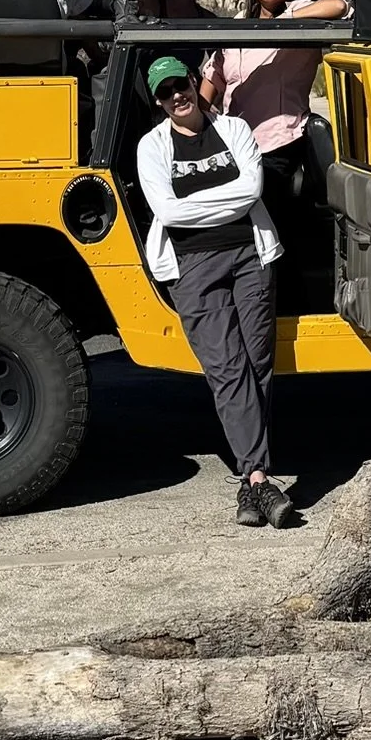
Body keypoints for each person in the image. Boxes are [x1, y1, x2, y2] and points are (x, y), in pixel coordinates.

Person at [135, 55, 298, 529]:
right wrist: (208, 205)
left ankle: (253, 483)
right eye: (165, 93)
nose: (177, 97)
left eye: (181, 85)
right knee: (227, 368)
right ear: (158, 101)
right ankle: (260, 478)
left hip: (251, 256)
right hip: (193, 267)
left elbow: (250, 192)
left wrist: (194, 204)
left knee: (258, 362)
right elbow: (168, 210)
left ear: (193, 83)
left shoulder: (234, 129)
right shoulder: (152, 146)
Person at [199, 0, 349, 265]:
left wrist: (287, 20)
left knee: (267, 236)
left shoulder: (299, 12)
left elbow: (340, 5)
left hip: (277, 147)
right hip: (234, 147)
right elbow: (213, 76)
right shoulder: (237, 24)